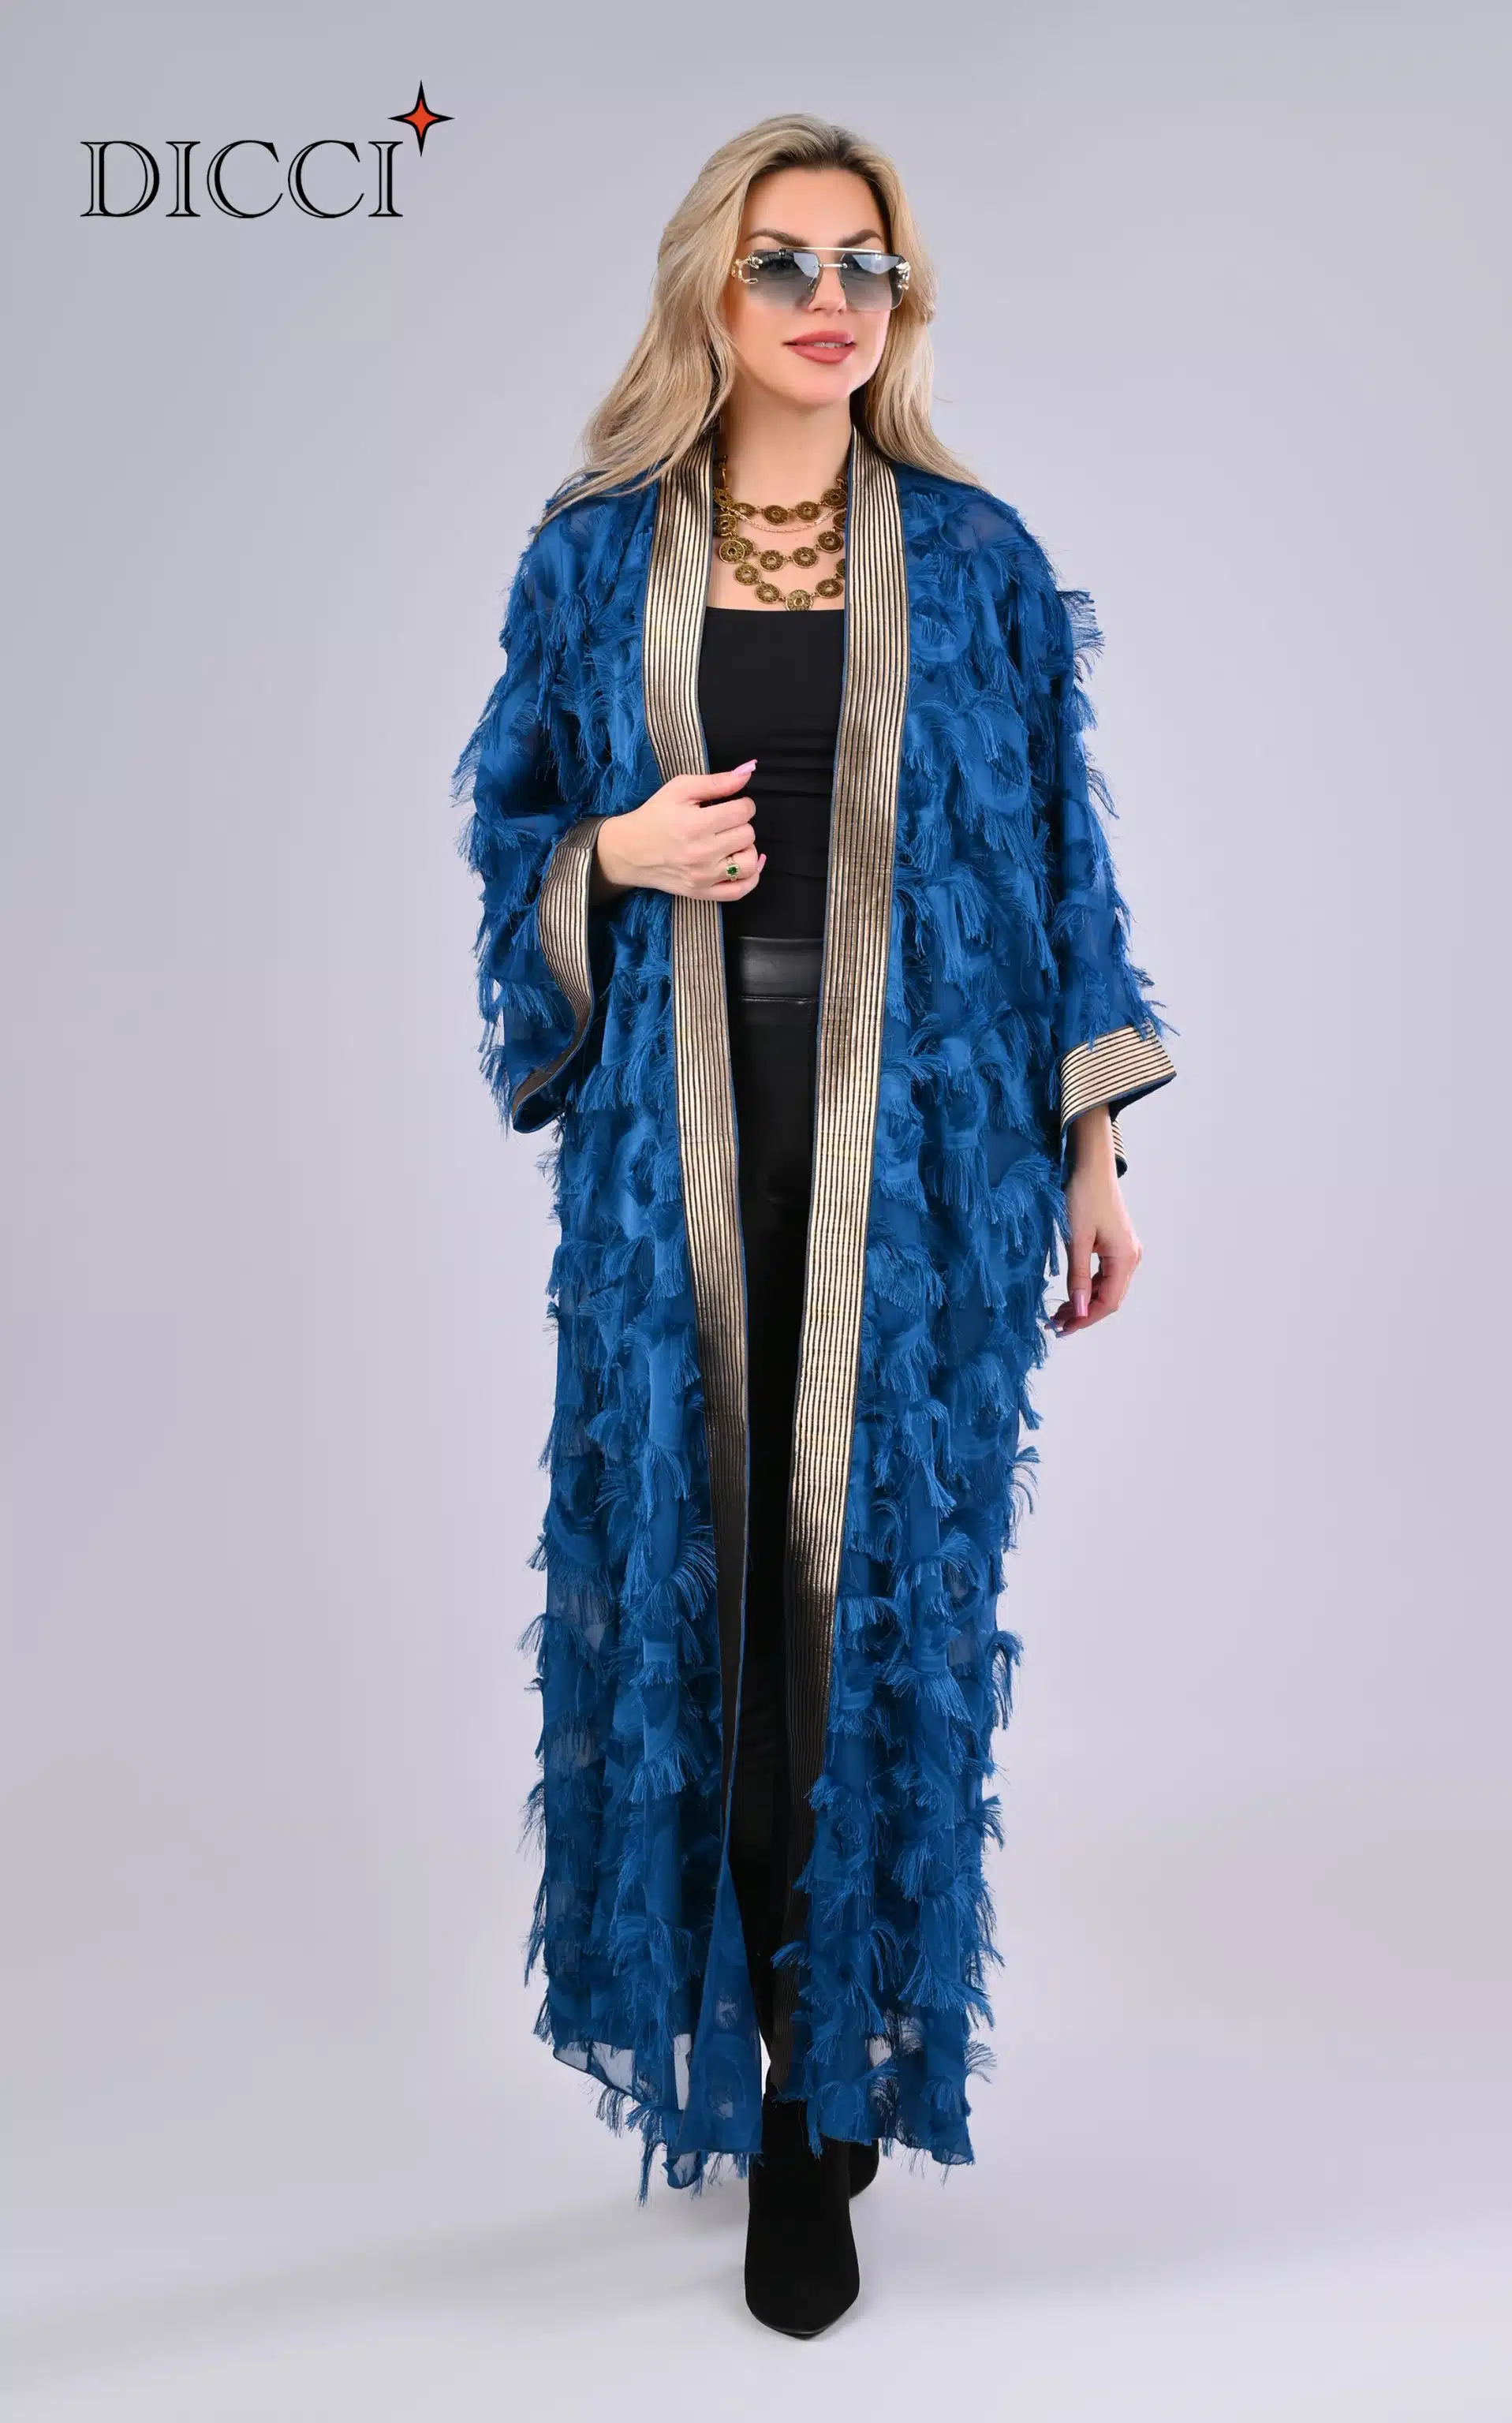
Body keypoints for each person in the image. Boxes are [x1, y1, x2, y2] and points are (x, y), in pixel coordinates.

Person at [453, 112, 1177, 2338]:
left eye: (866, 264)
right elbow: (514, 836)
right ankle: (746, 2046)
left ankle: (817, 2103)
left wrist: (1092, 1151)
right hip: (672, 1165)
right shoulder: (598, 561)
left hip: (928, 1172)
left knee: (878, 1606)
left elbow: (1058, 867)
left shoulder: (974, 558)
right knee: (707, 1594)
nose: (829, 301)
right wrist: (614, 858)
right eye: (784, 262)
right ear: (712, 286)